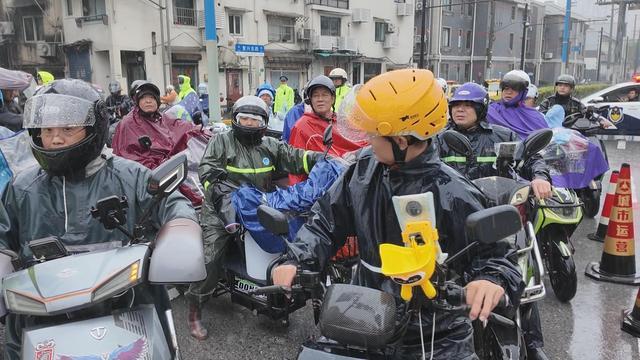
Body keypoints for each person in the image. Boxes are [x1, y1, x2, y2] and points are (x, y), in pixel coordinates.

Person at [272, 69, 524, 359]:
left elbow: (497, 255)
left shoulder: (453, 190)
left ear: (401, 141)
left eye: (374, 134)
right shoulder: (362, 171)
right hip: (366, 313)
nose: (367, 140)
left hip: (436, 333)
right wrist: (296, 258)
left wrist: (491, 280)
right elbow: (325, 222)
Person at [0, 79, 198, 359]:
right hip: (40, 318)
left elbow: (172, 203)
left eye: (68, 129)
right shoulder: (22, 188)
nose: (55, 138)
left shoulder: (129, 176)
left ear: (94, 128)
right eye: (47, 130)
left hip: (123, 308)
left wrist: (180, 232)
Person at [186, 95, 324, 340]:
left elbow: (296, 157)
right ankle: (195, 308)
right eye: (244, 118)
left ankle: (275, 301)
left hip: (259, 207)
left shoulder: (270, 145)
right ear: (235, 120)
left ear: (263, 122)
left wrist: (323, 160)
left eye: (255, 119)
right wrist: (221, 193)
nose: (249, 123)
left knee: (286, 247)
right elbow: (208, 171)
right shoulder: (222, 141)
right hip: (222, 210)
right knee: (211, 258)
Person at [437, 82, 550, 360]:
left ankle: (533, 344)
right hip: (455, 222)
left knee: (520, 275)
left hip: (498, 217)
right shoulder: (439, 139)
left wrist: (540, 177)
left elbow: (531, 157)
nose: (460, 110)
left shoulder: (502, 135)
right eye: (455, 106)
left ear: (481, 108)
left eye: (467, 106)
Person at [111, 81, 203, 205]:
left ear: (157, 101)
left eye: (152, 98)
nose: (148, 101)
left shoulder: (161, 118)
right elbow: (128, 158)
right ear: (137, 101)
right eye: (144, 97)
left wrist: (201, 130)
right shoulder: (128, 123)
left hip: (173, 167)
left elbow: (179, 126)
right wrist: (156, 165)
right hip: (148, 179)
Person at [288, 75, 365, 184]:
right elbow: (295, 164)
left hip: (349, 179)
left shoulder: (341, 121)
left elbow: (360, 141)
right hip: (319, 186)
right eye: (315, 96)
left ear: (332, 98)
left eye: (324, 95)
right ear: (310, 100)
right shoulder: (302, 126)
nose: (320, 99)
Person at [486, 70, 548, 140]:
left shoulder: (535, 117)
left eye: (514, 88)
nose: (509, 92)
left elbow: (545, 141)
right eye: (506, 88)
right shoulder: (489, 111)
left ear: (524, 92)